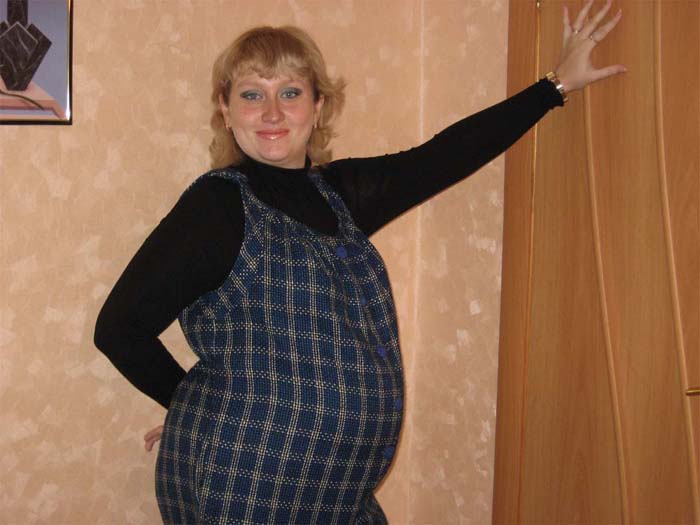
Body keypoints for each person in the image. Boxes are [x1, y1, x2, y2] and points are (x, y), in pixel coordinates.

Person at [94, 1, 624, 523]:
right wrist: (194, 406)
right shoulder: (218, 207)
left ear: (318, 107)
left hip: (339, 491)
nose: (272, 112)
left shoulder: (342, 194)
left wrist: (555, 86)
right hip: (243, 484)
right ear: (226, 111)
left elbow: (443, 157)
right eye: (252, 94)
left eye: (290, 93)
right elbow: (120, 328)